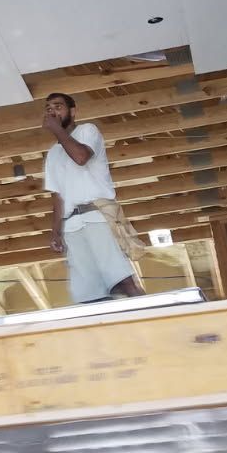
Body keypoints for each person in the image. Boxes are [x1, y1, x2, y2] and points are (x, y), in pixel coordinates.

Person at [41, 92, 145, 303]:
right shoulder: (52, 154)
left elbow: (81, 157)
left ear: (73, 111)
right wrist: (55, 232)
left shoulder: (88, 131)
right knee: (90, 293)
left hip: (96, 214)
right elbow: (57, 197)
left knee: (121, 281)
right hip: (70, 226)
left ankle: (154, 319)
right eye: (49, 108)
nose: (52, 111)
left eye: (58, 106)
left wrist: (57, 130)